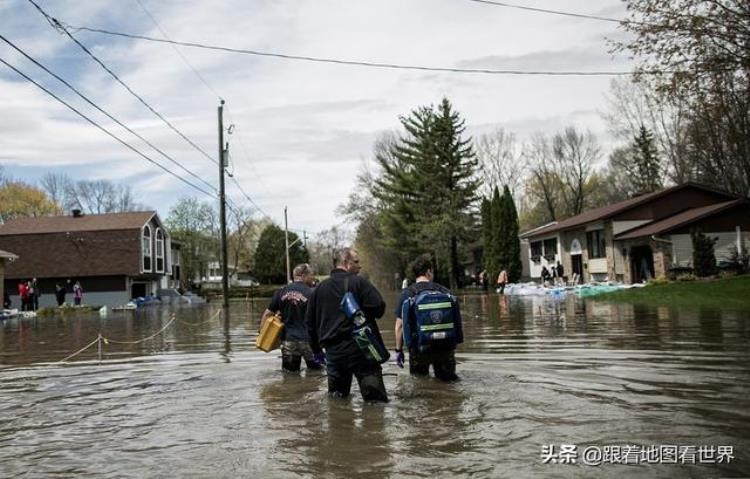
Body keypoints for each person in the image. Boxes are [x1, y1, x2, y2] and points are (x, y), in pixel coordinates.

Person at [306, 247, 388, 402]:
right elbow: (379, 308)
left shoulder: (318, 289)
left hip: (334, 353)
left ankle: (339, 424)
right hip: (363, 349)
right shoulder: (359, 283)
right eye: (356, 262)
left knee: (337, 401)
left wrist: (316, 351)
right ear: (346, 263)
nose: (360, 266)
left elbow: (310, 324)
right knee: (376, 403)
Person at [394, 254, 464, 382]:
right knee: (449, 384)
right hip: (445, 346)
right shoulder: (444, 291)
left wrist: (399, 350)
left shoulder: (407, 293)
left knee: (420, 385)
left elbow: (399, 326)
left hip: (419, 349)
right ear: (429, 271)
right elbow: (456, 319)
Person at [260, 263, 322, 372]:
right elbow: (320, 317)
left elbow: (267, 314)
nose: (313, 278)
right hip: (309, 341)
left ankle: (291, 388)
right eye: (311, 275)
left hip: (288, 341)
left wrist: (262, 334)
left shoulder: (281, 292)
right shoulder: (312, 293)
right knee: (316, 374)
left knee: (289, 375)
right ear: (303, 275)